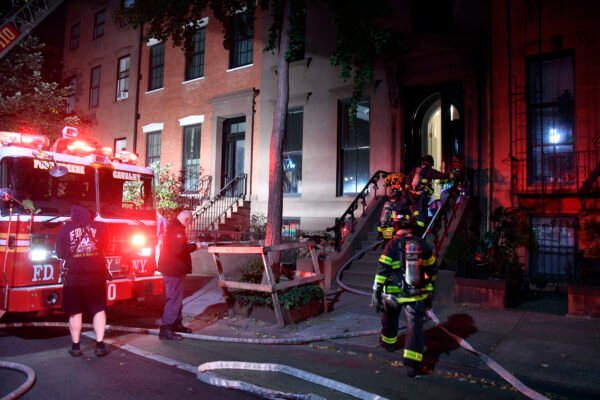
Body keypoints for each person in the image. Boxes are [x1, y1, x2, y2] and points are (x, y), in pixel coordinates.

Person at [371, 214, 437, 377]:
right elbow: (432, 270)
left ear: (396, 227)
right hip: (416, 294)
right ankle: (412, 365)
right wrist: (430, 290)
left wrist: (376, 290)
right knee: (415, 327)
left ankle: (388, 344)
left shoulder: (392, 244)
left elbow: (382, 269)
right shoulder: (422, 244)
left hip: (394, 294)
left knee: (390, 318)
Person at [55, 204, 109, 357]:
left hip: (74, 277)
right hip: (96, 275)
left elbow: (59, 253)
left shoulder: (66, 228)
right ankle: (100, 345)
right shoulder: (101, 226)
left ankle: (76, 347)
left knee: (75, 311)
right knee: (98, 309)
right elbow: (106, 246)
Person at [157, 210, 202, 340]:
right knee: (174, 299)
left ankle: (176, 324)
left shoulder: (174, 227)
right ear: (187, 219)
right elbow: (179, 249)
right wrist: (195, 247)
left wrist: (191, 245)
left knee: (177, 298)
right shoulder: (176, 228)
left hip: (175, 269)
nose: (190, 224)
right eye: (190, 221)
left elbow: (178, 246)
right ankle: (166, 328)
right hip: (173, 270)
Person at [407, 155, 452, 235]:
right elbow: (441, 176)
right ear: (430, 163)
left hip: (413, 196)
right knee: (422, 213)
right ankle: (420, 232)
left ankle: (416, 226)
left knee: (416, 211)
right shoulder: (429, 171)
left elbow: (407, 182)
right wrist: (451, 175)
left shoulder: (415, 170)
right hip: (422, 196)